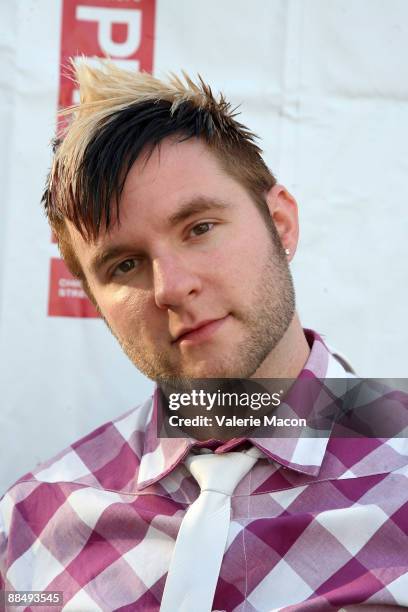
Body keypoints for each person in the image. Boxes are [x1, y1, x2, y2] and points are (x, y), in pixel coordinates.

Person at [1, 62, 407, 612]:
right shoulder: (33, 519)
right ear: (95, 301)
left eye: (199, 228)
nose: (172, 287)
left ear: (280, 223)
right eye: (124, 265)